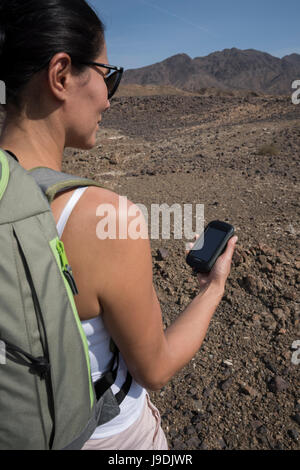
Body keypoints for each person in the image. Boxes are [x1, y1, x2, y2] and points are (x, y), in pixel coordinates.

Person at [0, 0, 238, 450]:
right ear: (61, 74)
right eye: (108, 76)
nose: (109, 98)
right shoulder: (106, 218)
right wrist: (214, 288)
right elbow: (156, 368)